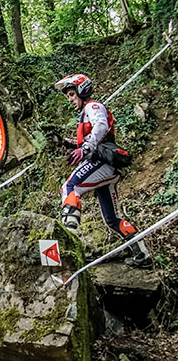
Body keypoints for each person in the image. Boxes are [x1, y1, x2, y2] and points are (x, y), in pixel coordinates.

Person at [54, 73, 152, 268]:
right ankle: (143, 256)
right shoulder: (85, 113)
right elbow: (88, 140)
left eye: (72, 94)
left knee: (70, 187)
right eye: (68, 96)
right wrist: (68, 143)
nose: (70, 100)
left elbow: (101, 126)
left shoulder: (93, 106)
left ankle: (68, 243)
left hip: (102, 163)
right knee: (113, 219)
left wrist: (87, 147)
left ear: (82, 90)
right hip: (106, 168)